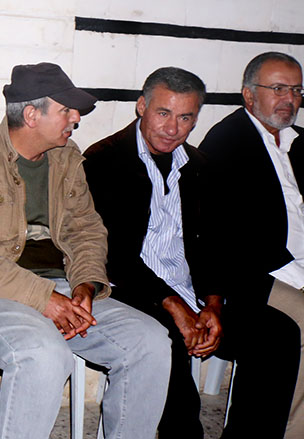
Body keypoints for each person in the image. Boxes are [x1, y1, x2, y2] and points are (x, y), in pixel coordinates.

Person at [0, 62, 172, 438]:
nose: (76, 118)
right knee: (44, 354)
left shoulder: (66, 158)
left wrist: (87, 285)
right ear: (31, 115)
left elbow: (86, 230)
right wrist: (44, 299)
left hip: (62, 286)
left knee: (150, 342)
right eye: (66, 110)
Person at [84, 67, 301, 438]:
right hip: (133, 293)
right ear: (141, 107)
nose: (173, 128)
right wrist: (175, 306)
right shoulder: (104, 161)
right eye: (163, 113)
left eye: (185, 118)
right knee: (168, 347)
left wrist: (214, 304)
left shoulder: (198, 166)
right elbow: (114, 257)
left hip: (191, 294)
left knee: (276, 334)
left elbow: (213, 246)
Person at [200, 51, 304, 438]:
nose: (289, 99)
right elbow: (233, 238)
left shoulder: (299, 142)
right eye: (277, 88)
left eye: (296, 90)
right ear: (248, 94)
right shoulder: (228, 143)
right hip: (251, 278)